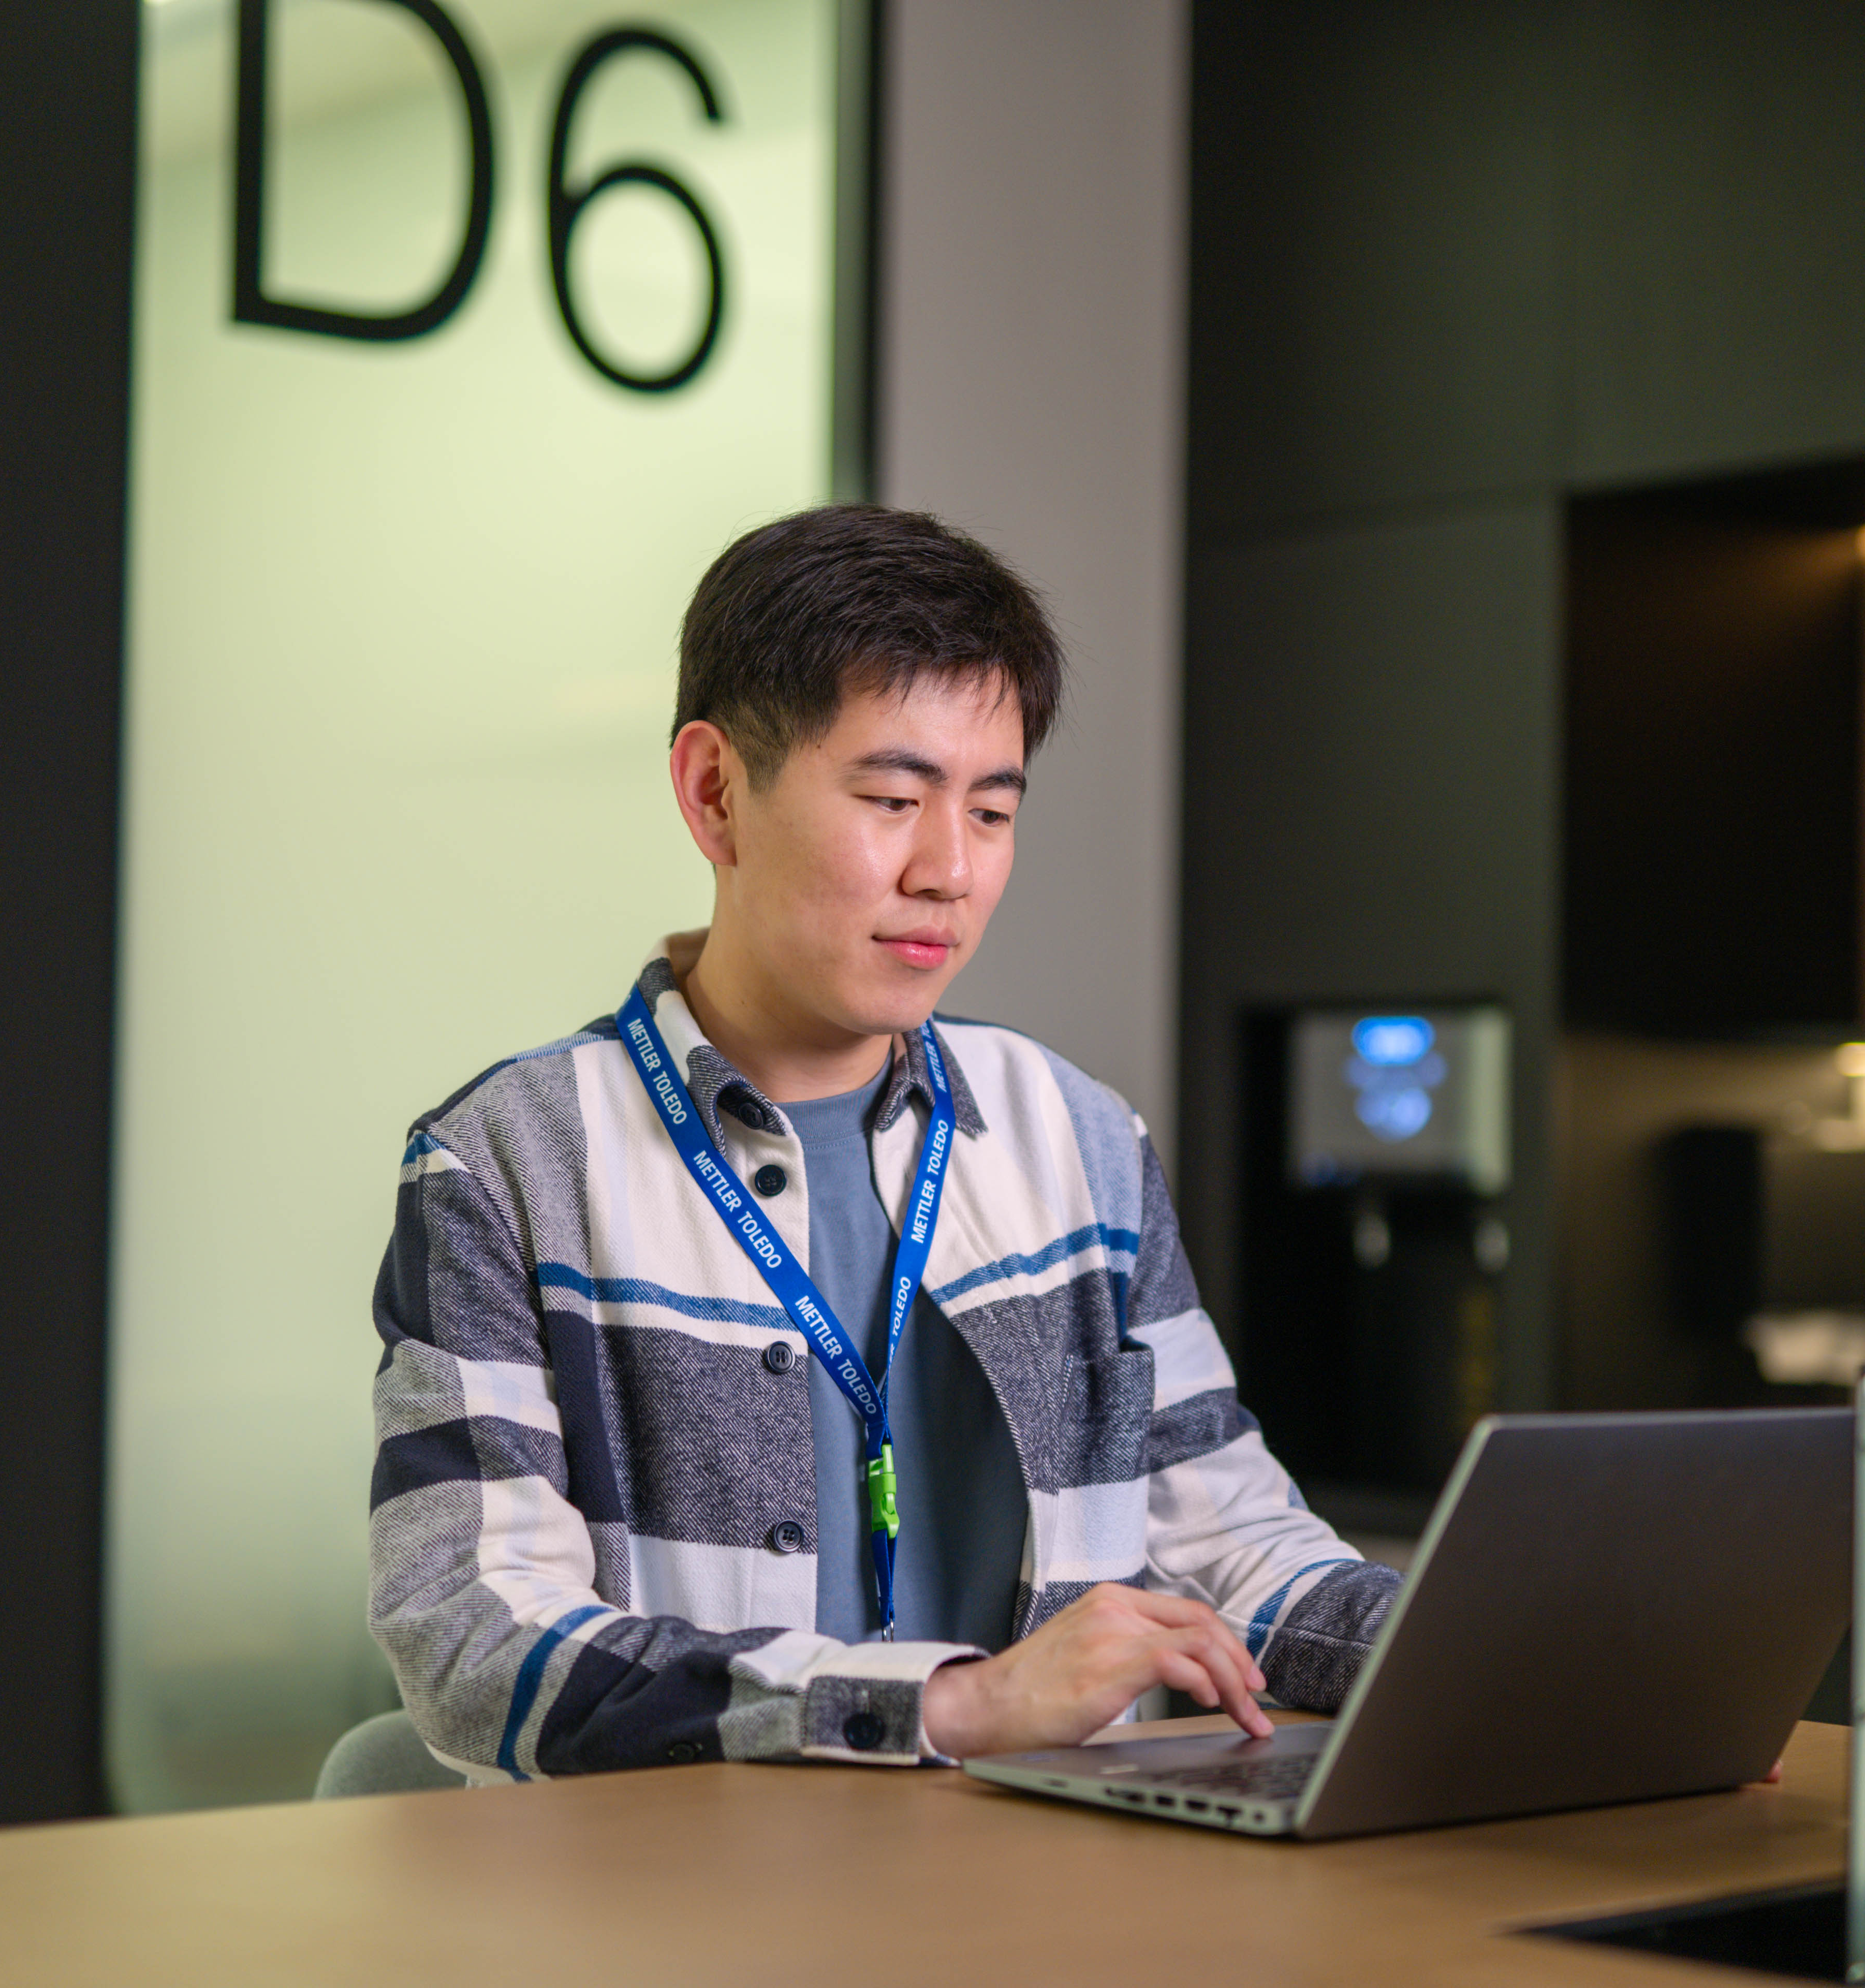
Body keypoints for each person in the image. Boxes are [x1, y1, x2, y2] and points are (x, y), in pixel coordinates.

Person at [369, 505, 1397, 1779]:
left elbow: (1232, 1549)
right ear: (715, 791)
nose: (948, 870)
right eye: (894, 796)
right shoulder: (512, 1164)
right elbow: (476, 1644)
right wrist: (954, 1704)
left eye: (992, 811)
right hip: (681, 1917)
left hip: (1054, 1901)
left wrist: (1479, 1644)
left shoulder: (1079, 1138)